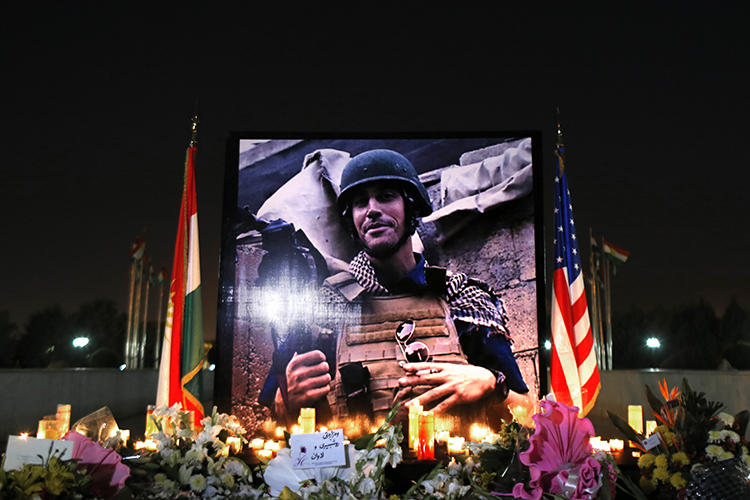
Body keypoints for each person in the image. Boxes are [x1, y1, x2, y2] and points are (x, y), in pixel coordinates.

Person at [260, 149, 528, 426]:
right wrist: (285, 404)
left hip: (455, 467)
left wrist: (491, 385)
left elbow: (526, 414)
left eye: (386, 196)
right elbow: (274, 423)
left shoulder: (462, 299)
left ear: (410, 208)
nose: (372, 209)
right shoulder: (320, 311)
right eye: (360, 202)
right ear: (351, 219)